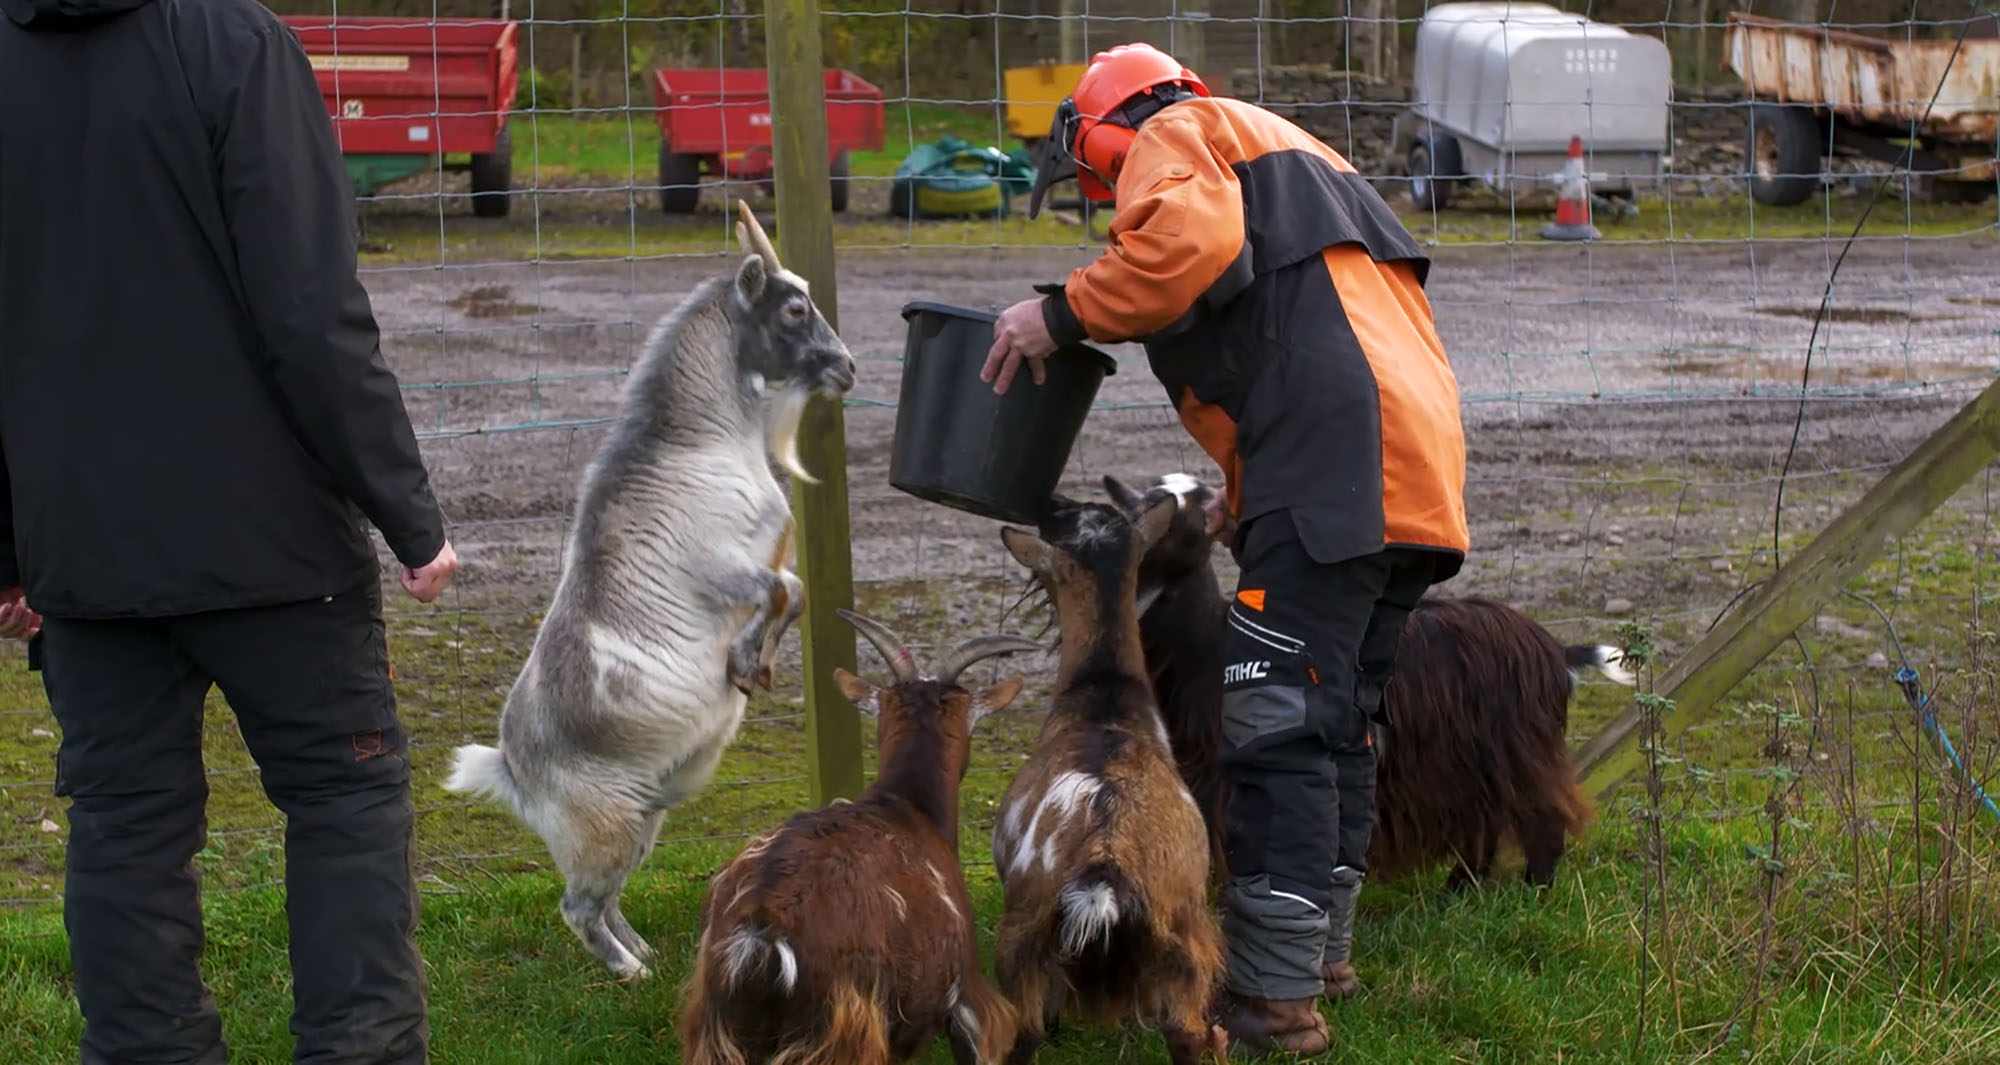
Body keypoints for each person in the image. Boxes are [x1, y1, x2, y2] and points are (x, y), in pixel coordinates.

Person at [982, 42, 1471, 1055]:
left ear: (1103, 126)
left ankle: (1270, 1001)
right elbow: (1305, 327)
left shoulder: (1175, 132)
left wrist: (1058, 314)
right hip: (1408, 461)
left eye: (1093, 171)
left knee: (1277, 720)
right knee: (1336, 720)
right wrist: (1253, 499)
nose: (1106, 192)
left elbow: (1182, 252)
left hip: (1335, 455)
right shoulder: (1288, 148)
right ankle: (1316, 959)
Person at [0, 0, 460, 1060]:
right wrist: (408, 515)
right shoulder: (237, 46)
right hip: (277, 550)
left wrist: (15, 548)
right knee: (345, 802)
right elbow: (309, 312)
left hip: (84, 553)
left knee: (124, 832)